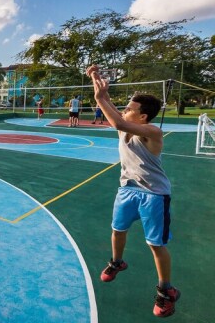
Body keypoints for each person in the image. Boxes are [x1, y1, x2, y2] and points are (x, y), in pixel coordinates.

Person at [87, 65, 180, 318]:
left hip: (154, 195)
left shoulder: (153, 132)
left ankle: (166, 290)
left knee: (155, 244)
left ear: (143, 117)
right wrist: (95, 77)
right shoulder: (125, 127)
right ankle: (117, 262)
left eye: (130, 108)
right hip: (127, 190)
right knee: (117, 230)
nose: (124, 110)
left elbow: (114, 116)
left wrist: (100, 99)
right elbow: (107, 103)